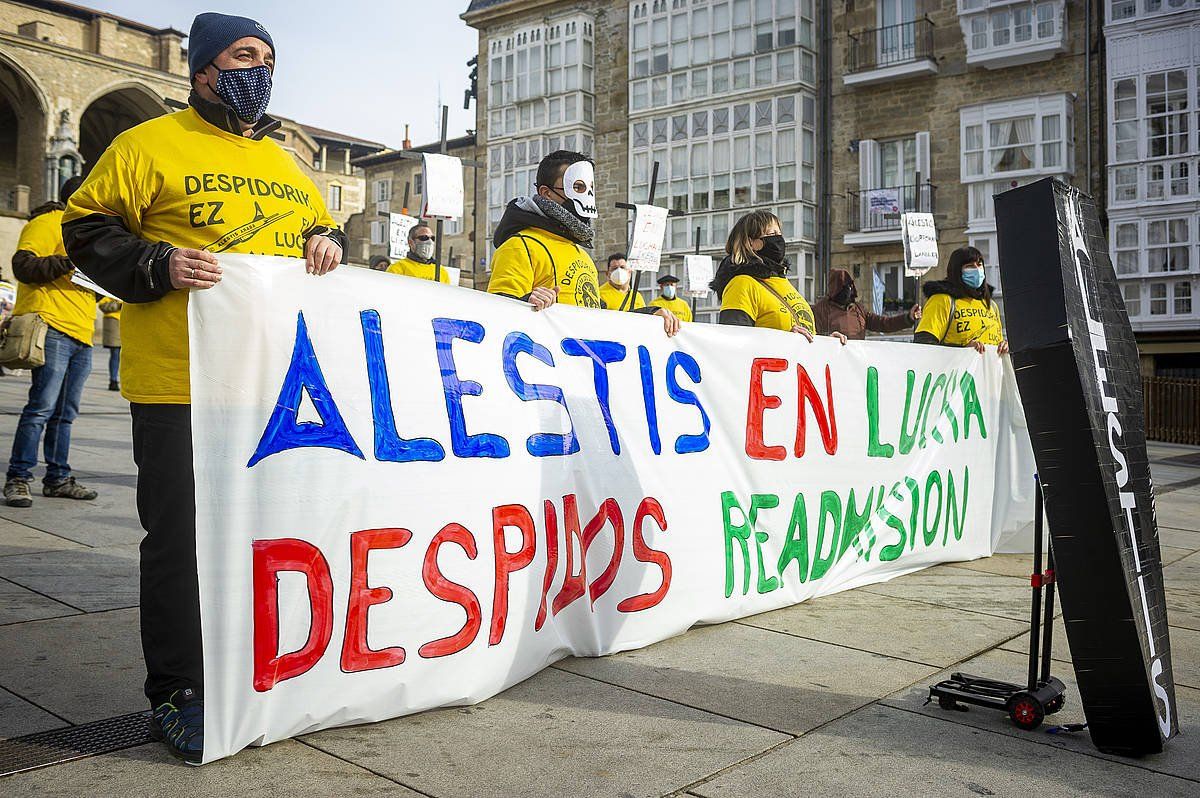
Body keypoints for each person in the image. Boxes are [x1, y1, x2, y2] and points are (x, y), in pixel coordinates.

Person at [62, 12, 345, 764]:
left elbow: (323, 232)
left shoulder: (288, 163)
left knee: (275, 535)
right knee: (183, 543)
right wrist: (158, 265)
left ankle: (266, 667)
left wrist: (329, 241)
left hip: (277, 388)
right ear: (204, 70)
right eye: (244, 55)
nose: (261, 67)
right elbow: (84, 229)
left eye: (270, 57)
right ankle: (179, 692)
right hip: (182, 382)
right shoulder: (147, 142)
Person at [487, 149, 680, 336]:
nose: (586, 195)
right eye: (577, 187)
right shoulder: (519, 246)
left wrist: (648, 316)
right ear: (546, 193)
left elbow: (601, 320)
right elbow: (496, 313)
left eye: (590, 188)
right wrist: (526, 301)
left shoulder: (582, 255)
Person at [3, 176, 98, 508]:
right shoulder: (49, 221)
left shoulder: (86, 232)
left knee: (65, 413)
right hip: (52, 323)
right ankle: (18, 477)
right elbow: (23, 265)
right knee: (41, 408)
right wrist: (68, 263)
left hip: (82, 331)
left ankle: (58, 478)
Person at [712, 210, 845, 343]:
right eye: (771, 234)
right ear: (751, 243)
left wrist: (826, 343)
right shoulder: (741, 284)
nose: (779, 239)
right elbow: (734, 341)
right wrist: (784, 338)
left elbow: (805, 334)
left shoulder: (782, 281)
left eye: (779, 233)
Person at [913, 246, 1008, 355]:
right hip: (954, 371)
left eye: (979, 265)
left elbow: (997, 345)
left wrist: (1004, 346)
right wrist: (962, 350)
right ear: (957, 271)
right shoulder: (942, 300)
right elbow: (923, 344)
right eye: (969, 266)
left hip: (989, 372)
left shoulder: (991, 306)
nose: (977, 270)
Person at [813, 268, 919, 340]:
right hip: (832, 364)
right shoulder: (820, 310)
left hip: (857, 364)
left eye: (849, 286)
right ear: (834, 288)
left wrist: (908, 318)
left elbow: (884, 323)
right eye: (842, 287)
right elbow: (813, 337)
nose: (847, 290)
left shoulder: (859, 310)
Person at [99, 299, 122, 391]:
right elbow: (102, 305)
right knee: (115, 353)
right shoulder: (108, 291)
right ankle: (113, 380)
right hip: (113, 322)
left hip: (128, 321)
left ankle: (124, 380)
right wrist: (118, 305)